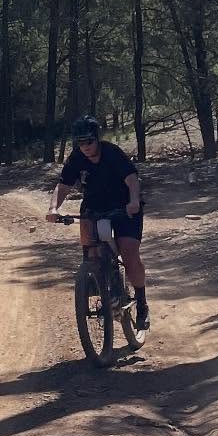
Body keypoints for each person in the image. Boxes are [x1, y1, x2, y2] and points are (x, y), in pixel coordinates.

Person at [46, 115, 150, 326]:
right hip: (94, 207)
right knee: (90, 249)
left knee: (129, 254)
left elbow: (132, 179)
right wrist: (53, 208)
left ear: (97, 139)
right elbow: (64, 186)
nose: (85, 147)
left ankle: (141, 304)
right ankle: (100, 284)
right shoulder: (76, 158)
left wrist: (133, 202)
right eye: (80, 143)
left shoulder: (112, 153)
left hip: (124, 207)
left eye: (89, 142)